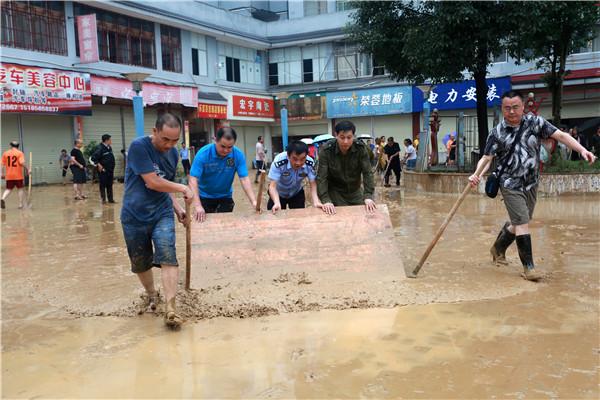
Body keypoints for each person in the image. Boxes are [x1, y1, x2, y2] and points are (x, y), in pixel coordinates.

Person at [469, 91, 596, 281]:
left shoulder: (535, 123)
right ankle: (529, 268)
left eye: (515, 107)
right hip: (510, 183)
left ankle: (498, 248)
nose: (511, 111)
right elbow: (487, 158)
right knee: (522, 222)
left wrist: (583, 150)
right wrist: (476, 174)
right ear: (502, 109)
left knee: (519, 221)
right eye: (507, 108)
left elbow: (560, 135)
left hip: (531, 182)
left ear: (522, 107)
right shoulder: (497, 133)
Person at [120, 113, 193, 329]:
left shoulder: (172, 155)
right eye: (165, 139)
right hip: (134, 215)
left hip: (161, 212)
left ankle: (171, 308)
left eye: (174, 141)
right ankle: (152, 295)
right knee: (140, 262)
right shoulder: (138, 147)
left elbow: (164, 185)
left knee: (167, 254)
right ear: (155, 132)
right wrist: (183, 188)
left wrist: (178, 209)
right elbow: (152, 182)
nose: (169, 145)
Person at [189, 127, 258, 222]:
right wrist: (197, 205)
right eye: (222, 146)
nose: (226, 150)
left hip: (225, 197)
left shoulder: (237, 155)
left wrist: (254, 202)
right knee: (206, 228)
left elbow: (244, 179)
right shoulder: (203, 154)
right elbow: (193, 179)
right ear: (215, 140)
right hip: (204, 196)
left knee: (224, 225)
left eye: (230, 147)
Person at [317, 120, 376, 215]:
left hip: (355, 191)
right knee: (338, 217)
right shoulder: (327, 150)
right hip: (335, 191)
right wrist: (325, 199)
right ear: (336, 135)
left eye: (349, 137)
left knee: (365, 214)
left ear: (353, 136)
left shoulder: (360, 148)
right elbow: (321, 177)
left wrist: (368, 196)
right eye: (342, 137)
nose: (345, 141)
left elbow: (367, 173)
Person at [267, 140, 323, 213]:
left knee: (299, 217)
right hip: (278, 193)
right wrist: (277, 202)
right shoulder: (279, 162)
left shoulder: (309, 163)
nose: (298, 163)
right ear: (288, 155)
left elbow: (313, 183)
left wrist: (316, 201)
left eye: (302, 159)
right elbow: (272, 186)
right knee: (274, 216)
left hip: (296, 192)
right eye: (295, 159)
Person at [1, 141, 31, 209]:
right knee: (20, 189)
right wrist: (28, 169)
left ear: (11, 146)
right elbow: (22, 163)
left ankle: (2, 198)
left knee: (8, 189)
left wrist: (1, 173)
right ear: (18, 146)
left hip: (9, 175)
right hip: (18, 175)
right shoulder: (20, 153)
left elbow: (2, 165)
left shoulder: (5, 153)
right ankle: (20, 204)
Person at [91, 134, 116, 204]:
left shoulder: (109, 147)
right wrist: (99, 165)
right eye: (110, 140)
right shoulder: (100, 148)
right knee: (103, 185)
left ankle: (110, 199)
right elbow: (93, 158)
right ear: (106, 140)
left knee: (110, 184)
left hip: (110, 170)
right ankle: (103, 199)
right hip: (103, 170)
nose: (111, 141)